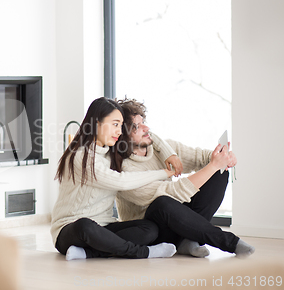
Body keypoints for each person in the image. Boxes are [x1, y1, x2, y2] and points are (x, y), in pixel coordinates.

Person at [113, 97, 255, 258]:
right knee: (162, 202)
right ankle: (228, 242)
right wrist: (214, 164)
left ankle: (189, 239)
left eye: (143, 121)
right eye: (136, 127)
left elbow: (201, 157)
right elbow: (171, 193)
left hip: (179, 220)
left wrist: (224, 158)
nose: (146, 128)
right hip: (154, 231)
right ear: (121, 134)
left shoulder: (165, 148)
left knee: (218, 173)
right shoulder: (123, 170)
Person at [51, 97, 187, 260]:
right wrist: (164, 173)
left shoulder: (110, 152)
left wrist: (169, 153)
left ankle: (90, 253)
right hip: (70, 229)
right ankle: (144, 252)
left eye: (121, 126)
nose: (119, 131)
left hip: (105, 226)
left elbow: (145, 134)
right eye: (115, 124)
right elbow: (121, 181)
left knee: (149, 229)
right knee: (85, 225)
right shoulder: (81, 156)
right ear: (96, 124)